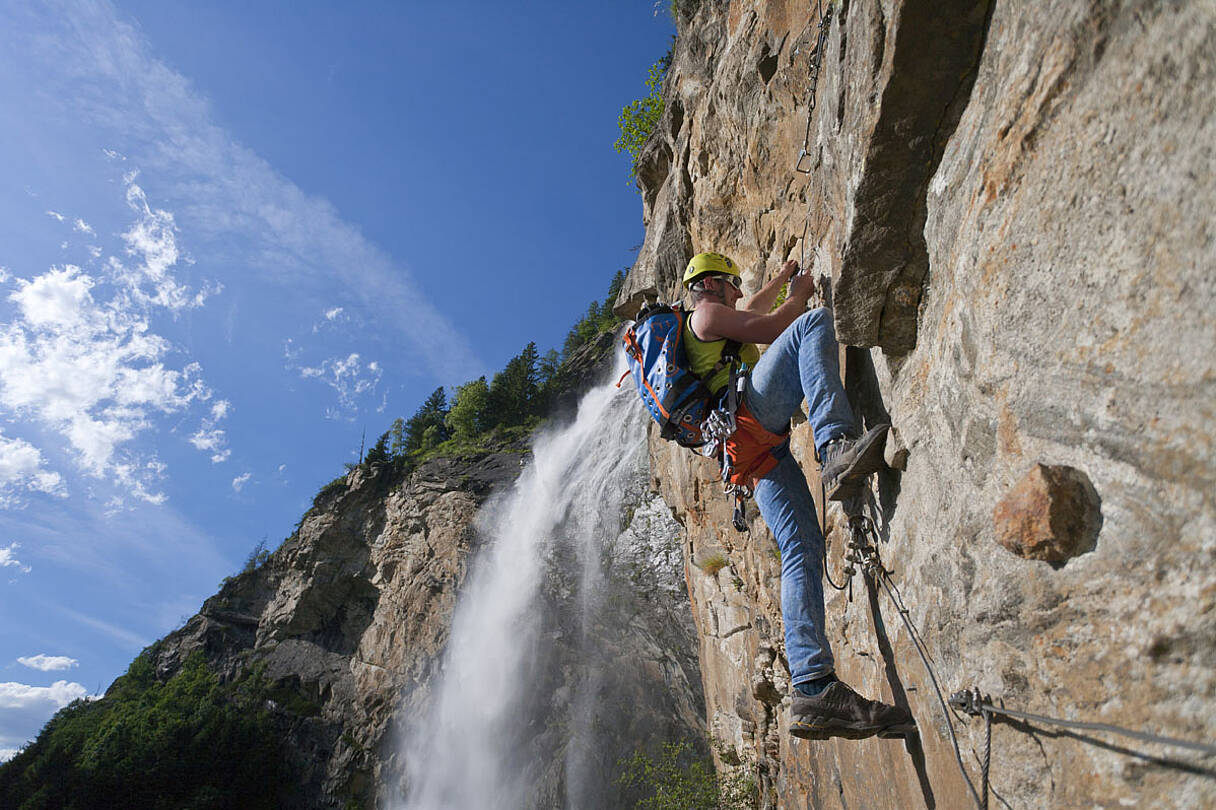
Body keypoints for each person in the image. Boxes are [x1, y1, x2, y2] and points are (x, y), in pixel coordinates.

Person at [682, 251, 915, 740]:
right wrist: (800, 295)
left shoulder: (710, 319)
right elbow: (769, 326)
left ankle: (811, 686)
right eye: (732, 284)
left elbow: (753, 311)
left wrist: (783, 279)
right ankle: (835, 445)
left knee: (799, 548)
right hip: (749, 419)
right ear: (711, 284)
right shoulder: (702, 314)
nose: (739, 292)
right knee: (811, 326)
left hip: (748, 454)